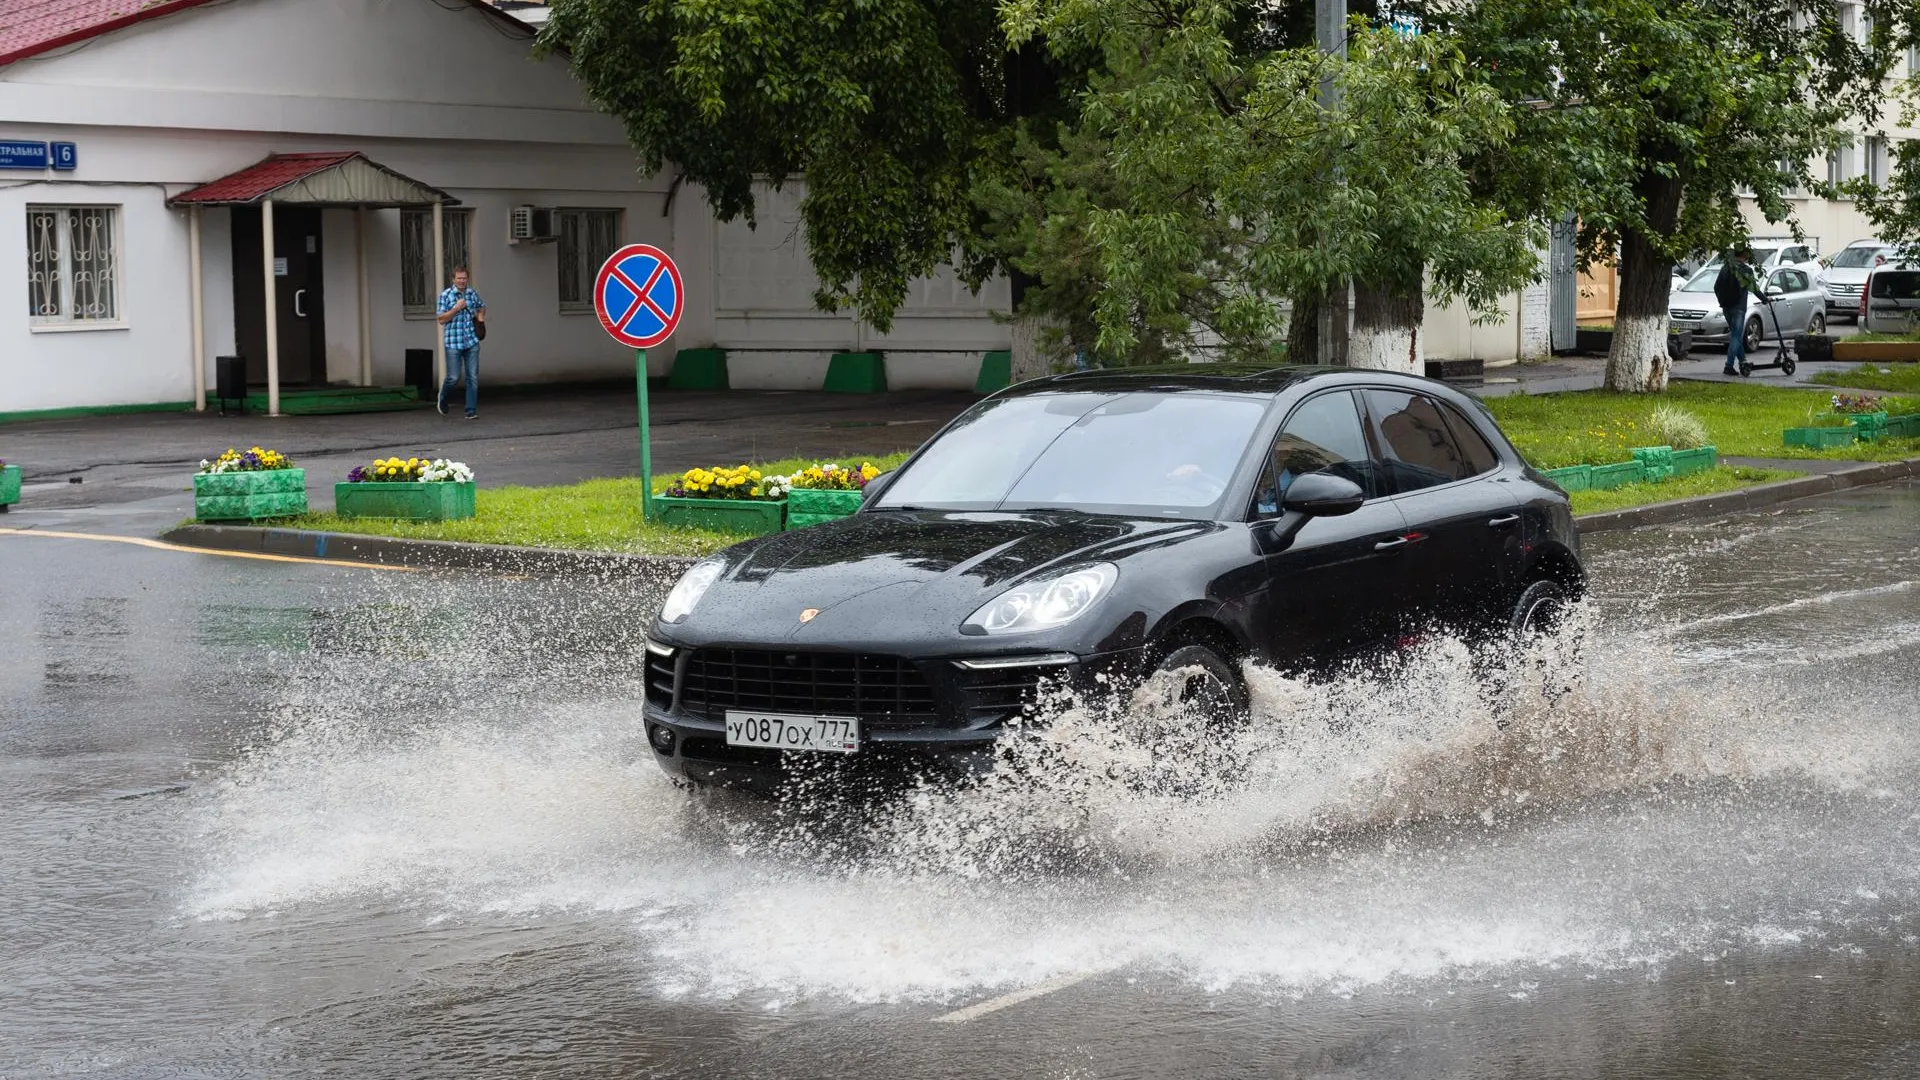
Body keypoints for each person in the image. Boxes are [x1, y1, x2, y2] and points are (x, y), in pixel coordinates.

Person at [436, 267, 485, 419]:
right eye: (459, 278)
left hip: (471, 341)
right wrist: (456, 308)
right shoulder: (445, 295)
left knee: (473, 377)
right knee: (453, 377)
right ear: (453, 279)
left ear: (467, 279)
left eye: (464, 278)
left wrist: (480, 320)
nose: (462, 281)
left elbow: (482, 307)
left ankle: (471, 410)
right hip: (453, 342)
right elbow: (441, 319)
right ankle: (443, 398)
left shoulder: (472, 293)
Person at [1713, 247, 1762, 376]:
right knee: (1736, 336)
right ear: (1745, 255)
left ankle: (1743, 362)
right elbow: (1754, 288)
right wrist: (1765, 299)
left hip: (1726, 306)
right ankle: (1728, 366)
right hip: (1739, 308)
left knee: (1736, 335)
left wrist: (1722, 300)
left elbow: (1716, 287)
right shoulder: (1746, 270)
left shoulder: (1726, 268)